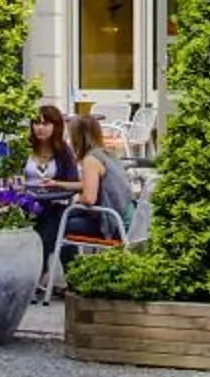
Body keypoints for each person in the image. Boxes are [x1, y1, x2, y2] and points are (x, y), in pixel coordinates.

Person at [69, 110, 134, 255]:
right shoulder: (107, 154)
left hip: (114, 225)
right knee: (67, 215)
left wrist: (74, 201)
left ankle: (71, 271)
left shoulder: (90, 160)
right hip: (128, 219)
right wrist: (59, 184)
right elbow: (92, 185)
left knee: (61, 222)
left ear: (77, 138)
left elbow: (89, 199)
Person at [21, 105, 81, 262]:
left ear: (56, 127)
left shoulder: (63, 151)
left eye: (46, 124)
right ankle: (44, 273)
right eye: (36, 123)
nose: (40, 128)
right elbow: (6, 184)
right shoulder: (23, 149)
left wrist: (56, 183)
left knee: (56, 221)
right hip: (25, 203)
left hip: (54, 203)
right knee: (54, 224)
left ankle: (44, 272)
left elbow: (75, 182)